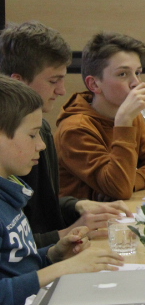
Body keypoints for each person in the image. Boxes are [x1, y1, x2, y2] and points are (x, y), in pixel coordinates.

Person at [0, 76, 124, 305]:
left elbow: (16, 263)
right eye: (32, 135)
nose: (42, 145)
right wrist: (62, 269)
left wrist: (53, 254)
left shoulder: (10, 190)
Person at [0, 22, 132, 247]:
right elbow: (14, 242)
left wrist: (77, 205)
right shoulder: (13, 143)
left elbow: (39, 208)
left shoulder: (40, 130)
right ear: (18, 82)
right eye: (53, 81)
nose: (62, 90)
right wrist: (67, 234)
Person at [56, 32, 145, 201]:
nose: (136, 83)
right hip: (82, 217)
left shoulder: (131, 117)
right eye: (122, 74)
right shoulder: (75, 129)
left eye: (138, 73)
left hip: (117, 210)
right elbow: (119, 189)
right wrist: (123, 123)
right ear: (94, 84)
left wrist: (130, 180)